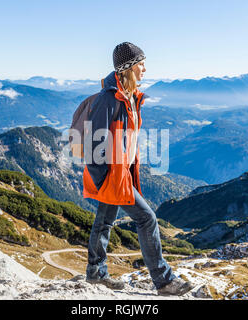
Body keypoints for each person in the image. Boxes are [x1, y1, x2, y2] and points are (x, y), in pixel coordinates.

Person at [82, 42, 192, 296]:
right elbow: (93, 142)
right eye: (141, 63)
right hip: (112, 176)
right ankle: (164, 282)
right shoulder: (108, 99)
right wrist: (103, 179)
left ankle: (96, 273)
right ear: (129, 67)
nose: (145, 68)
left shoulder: (129, 96)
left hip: (121, 173)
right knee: (147, 218)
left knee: (104, 222)